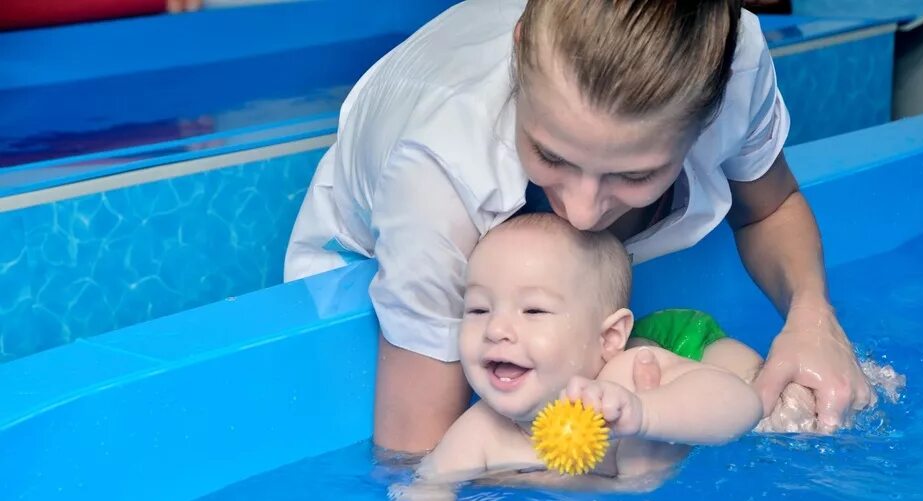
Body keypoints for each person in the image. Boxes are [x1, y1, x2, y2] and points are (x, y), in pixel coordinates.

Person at [284, 0, 874, 454]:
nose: (585, 215)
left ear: (710, 109)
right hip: (385, 249)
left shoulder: (732, 58)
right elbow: (413, 457)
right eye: (550, 156)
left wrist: (813, 319)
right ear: (519, 53)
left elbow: (769, 207)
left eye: (636, 175)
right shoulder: (437, 176)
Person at [392, 213, 814, 501]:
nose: (495, 329)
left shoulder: (625, 380)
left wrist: (647, 413)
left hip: (688, 347)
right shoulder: (480, 432)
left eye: (534, 311)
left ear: (608, 337)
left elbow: (742, 405)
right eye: (479, 309)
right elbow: (419, 490)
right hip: (634, 479)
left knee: (786, 408)